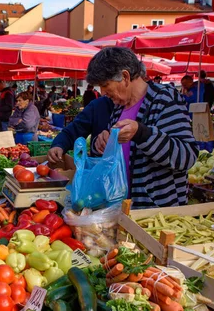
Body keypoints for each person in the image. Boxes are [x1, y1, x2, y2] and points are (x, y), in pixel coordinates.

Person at [48, 47, 198, 209]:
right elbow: (117, 158)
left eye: (105, 85)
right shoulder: (118, 107)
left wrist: (141, 133)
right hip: (120, 208)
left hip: (154, 211)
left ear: (125, 77)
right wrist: (103, 144)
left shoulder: (165, 100)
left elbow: (187, 156)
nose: (103, 92)